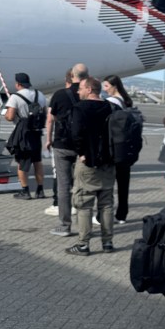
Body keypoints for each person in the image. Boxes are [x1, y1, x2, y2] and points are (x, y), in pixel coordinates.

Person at [66, 75, 114, 256]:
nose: (78, 91)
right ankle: (108, 242)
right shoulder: (110, 107)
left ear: (89, 89)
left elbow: (76, 134)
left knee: (84, 203)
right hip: (108, 162)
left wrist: (82, 153)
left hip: (88, 162)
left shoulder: (80, 108)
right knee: (107, 204)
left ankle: (83, 244)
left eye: (80, 88)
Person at [45, 64, 87, 235]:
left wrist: (48, 139)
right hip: (83, 146)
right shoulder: (88, 94)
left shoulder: (59, 94)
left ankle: (64, 226)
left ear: (71, 76)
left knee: (63, 186)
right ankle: (85, 226)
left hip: (62, 144)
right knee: (83, 185)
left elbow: (50, 119)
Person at [4, 72, 48, 200]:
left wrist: (5, 115)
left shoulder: (15, 97)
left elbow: (10, 116)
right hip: (36, 131)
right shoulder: (39, 95)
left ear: (18, 84)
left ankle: (25, 191)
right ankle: (40, 190)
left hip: (23, 132)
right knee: (37, 161)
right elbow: (44, 112)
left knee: (22, 162)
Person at [102, 74, 135, 224]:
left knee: (108, 183)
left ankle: (104, 215)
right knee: (124, 183)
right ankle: (122, 214)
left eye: (107, 86)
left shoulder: (111, 102)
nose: (105, 89)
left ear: (114, 86)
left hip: (114, 145)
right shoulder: (126, 101)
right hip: (126, 145)